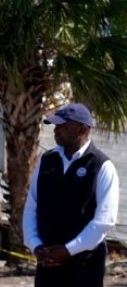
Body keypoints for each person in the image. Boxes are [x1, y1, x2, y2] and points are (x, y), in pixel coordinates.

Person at [23, 103, 119, 287]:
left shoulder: (101, 166)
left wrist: (68, 250)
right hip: (47, 262)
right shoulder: (47, 160)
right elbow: (31, 206)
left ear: (82, 129)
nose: (56, 131)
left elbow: (104, 221)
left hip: (84, 267)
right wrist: (35, 245)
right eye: (55, 126)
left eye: (63, 126)